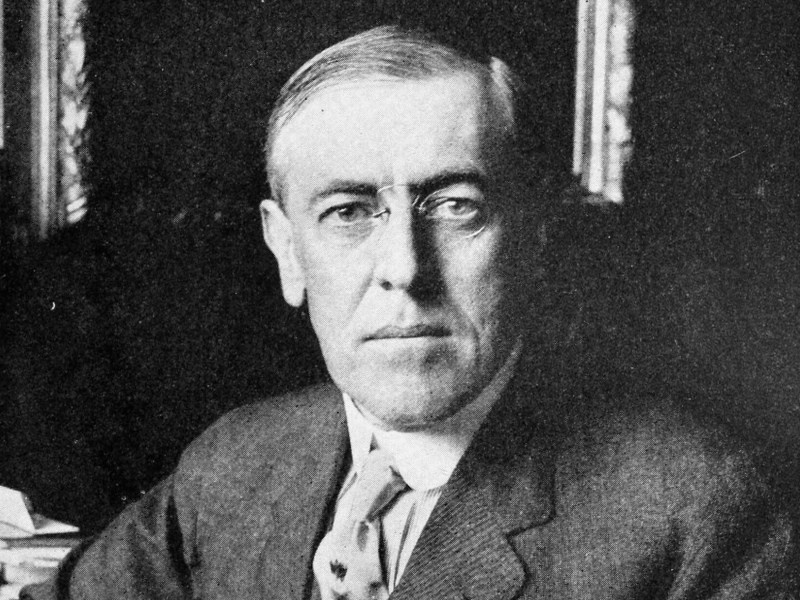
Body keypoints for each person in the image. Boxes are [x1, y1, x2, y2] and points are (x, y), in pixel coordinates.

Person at [23, 25, 797, 600]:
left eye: (455, 206)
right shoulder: (235, 463)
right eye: (349, 212)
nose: (404, 268)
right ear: (287, 251)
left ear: (532, 234)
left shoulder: (694, 513)